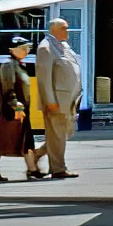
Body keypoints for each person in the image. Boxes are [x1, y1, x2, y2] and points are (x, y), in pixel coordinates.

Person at [0, 36, 44, 182]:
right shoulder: (8, 65)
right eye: (23, 48)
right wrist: (15, 104)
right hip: (9, 112)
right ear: (13, 50)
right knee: (1, 141)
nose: (27, 51)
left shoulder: (19, 65)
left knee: (26, 140)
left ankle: (32, 170)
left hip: (21, 111)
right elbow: (8, 87)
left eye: (28, 48)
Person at [36, 18, 82, 179]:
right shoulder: (46, 48)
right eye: (64, 28)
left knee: (63, 134)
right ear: (54, 29)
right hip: (56, 101)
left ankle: (36, 154)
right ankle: (58, 169)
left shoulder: (63, 46)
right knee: (57, 135)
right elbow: (44, 78)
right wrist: (49, 100)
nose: (67, 31)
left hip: (68, 100)